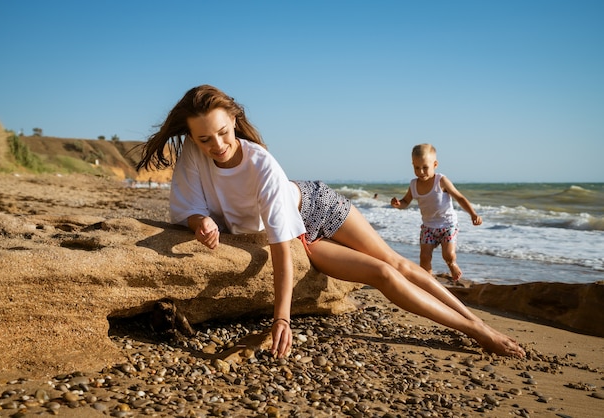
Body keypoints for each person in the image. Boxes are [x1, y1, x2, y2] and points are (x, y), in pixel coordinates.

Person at [136, 85, 524, 359]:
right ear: (192, 135)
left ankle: (478, 327)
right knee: (383, 276)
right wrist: (199, 221)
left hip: (316, 205)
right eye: (205, 139)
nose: (216, 145)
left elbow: (279, 250)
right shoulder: (193, 149)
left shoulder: (262, 167)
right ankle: (474, 328)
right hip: (302, 236)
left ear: (234, 121)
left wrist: (282, 318)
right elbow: (189, 206)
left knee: (399, 263)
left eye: (222, 133)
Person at [391, 144, 482, 281]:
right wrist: (398, 204)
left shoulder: (441, 181)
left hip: (448, 225)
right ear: (412, 165)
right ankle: (428, 280)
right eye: (417, 168)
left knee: (448, 254)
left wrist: (473, 214)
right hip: (428, 227)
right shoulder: (413, 184)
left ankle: (452, 264)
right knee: (424, 257)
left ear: (435, 164)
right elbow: (406, 201)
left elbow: (460, 198)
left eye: (425, 167)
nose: (421, 172)